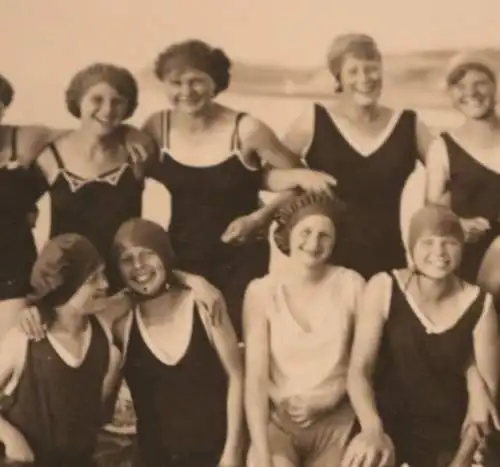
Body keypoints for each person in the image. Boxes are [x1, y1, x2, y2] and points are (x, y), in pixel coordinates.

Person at [141, 39, 335, 338]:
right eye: (175, 82)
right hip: (180, 256)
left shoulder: (247, 130)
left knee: (239, 343)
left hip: (241, 257)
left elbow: (301, 181)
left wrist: (260, 218)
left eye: (197, 81)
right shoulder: (157, 127)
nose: (185, 92)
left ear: (215, 82)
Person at [269, 33, 433, 279]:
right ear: (339, 78)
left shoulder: (409, 123)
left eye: (372, 69)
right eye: (353, 71)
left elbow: (452, 169)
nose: (364, 79)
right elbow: (267, 175)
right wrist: (300, 175)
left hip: (387, 261)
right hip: (323, 261)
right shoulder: (315, 119)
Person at [345, 205, 499, 467]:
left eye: (449, 242)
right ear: (411, 247)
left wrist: (461, 459)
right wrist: (371, 428)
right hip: (388, 428)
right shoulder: (384, 287)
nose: (438, 252)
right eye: (427, 242)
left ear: (462, 247)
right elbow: (359, 370)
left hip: (451, 439)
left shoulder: (480, 304)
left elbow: (485, 402)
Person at [98, 218, 243, 467]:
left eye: (147, 254)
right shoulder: (123, 324)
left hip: (218, 455)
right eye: (127, 260)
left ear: (164, 254)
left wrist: (232, 453)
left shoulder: (204, 305)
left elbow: (237, 379)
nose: (139, 266)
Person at [244, 191, 365, 467]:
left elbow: (365, 364)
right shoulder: (261, 291)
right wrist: (261, 453)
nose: (313, 243)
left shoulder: (352, 285)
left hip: (338, 425)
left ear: (335, 241)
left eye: (325, 235)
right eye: (306, 231)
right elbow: (256, 380)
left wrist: (330, 400)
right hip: (280, 427)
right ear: (287, 234)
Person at [0, 233, 121, 467]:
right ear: (65, 287)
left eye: (103, 274)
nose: (105, 284)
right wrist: (11, 438)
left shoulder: (102, 331)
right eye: (93, 279)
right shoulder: (26, 338)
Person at [425, 52, 500, 294]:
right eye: (460, 86)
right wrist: (459, 224)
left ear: (495, 86)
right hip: (469, 259)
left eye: (480, 82)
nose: (471, 92)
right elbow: (432, 215)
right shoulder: (444, 147)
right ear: (450, 95)